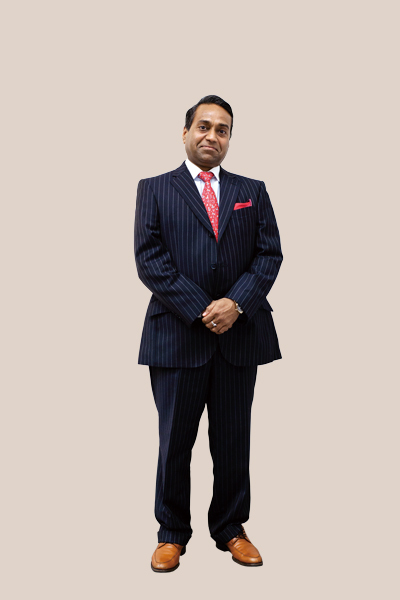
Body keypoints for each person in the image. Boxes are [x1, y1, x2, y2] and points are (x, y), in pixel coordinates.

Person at [134, 95, 283, 572]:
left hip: (239, 338)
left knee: (234, 442)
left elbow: (269, 254)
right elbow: (149, 258)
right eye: (203, 126)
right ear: (185, 133)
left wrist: (236, 304)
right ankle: (171, 534)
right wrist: (204, 309)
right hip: (177, 337)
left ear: (229, 139)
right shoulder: (155, 189)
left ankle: (231, 528)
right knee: (174, 443)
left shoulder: (252, 190)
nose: (212, 136)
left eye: (222, 129)